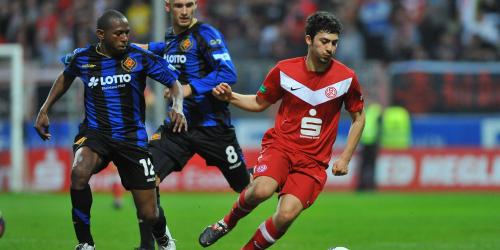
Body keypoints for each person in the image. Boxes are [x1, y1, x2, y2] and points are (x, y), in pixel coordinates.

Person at [198, 11, 366, 249]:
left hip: (313, 162)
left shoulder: (346, 78)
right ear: (309, 40)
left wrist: (345, 158)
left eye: (334, 43)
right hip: (281, 147)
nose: (330, 48)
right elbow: (258, 102)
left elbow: (359, 118)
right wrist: (230, 97)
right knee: (261, 190)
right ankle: (226, 223)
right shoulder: (284, 70)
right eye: (324, 41)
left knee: (286, 215)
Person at [33, 10, 187, 250]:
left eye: (127, 33)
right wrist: (44, 109)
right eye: (119, 34)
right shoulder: (83, 58)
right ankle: (85, 243)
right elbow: (65, 77)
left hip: (132, 139)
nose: (125, 38)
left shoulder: (140, 57)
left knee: (149, 213)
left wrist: (178, 106)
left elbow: (174, 84)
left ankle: (163, 236)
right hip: (96, 134)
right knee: (79, 171)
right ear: (101, 35)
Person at [132, 1, 251, 249]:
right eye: (178, 5)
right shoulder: (170, 37)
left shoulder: (206, 34)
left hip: (213, 128)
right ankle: (153, 243)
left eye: (189, 4)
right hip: (177, 127)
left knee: (247, 188)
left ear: (196, 5)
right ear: (168, 7)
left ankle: (271, 173)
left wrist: (188, 88)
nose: (184, 11)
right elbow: (163, 50)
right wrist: (130, 47)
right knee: (144, 179)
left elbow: (228, 72)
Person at [357, 102, 382, 191]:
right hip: (365, 142)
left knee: (367, 165)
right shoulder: (368, 110)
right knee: (366, 165)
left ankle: (368, 185)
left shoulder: (374, 110)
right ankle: (364, 185)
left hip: (372, 142)